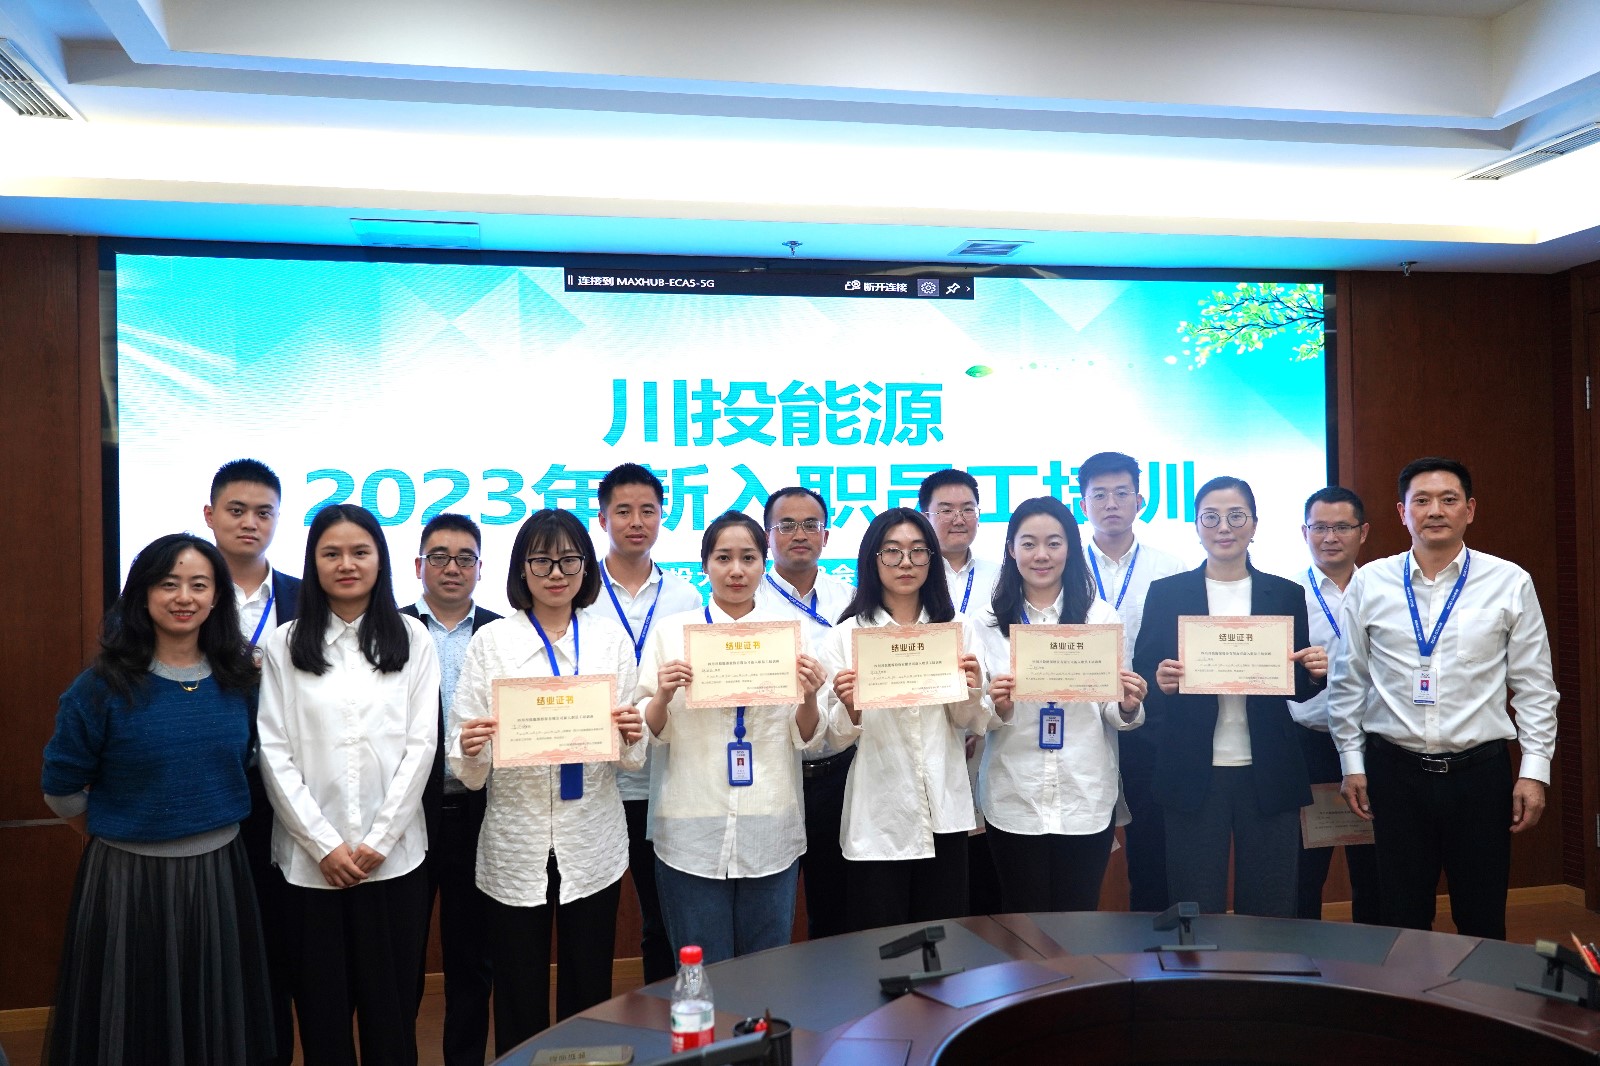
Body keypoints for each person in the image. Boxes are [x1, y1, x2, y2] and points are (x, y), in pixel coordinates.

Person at [41, 533, 274, 1065]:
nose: (184, 597)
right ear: (143, 594)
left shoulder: (240, 680)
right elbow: (60, 787)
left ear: (217, 598)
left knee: (213, 1024)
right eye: (168, 584)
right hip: (127, 882)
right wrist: (124, 827)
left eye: (199, 585)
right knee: (132, 1027)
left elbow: (247, 762)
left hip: (220, 875)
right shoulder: (100, 687)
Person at [1328, 457, 1558, 940]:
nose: (1435, 510)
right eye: (1422, 501)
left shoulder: (1509, 581)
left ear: (1469, 510)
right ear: (1402, 512)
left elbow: (1535, 687)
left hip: (1480, 776)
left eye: (1448, 499)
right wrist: (1352, 762)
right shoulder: (1371, 581)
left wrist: (1534, 771)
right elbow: (1349, 680)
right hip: (1395, 773)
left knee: (1481, 918)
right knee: (1401, 921)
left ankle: (1476, 993)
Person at [450, 509, 646, 1049]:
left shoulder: (609, 641)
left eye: (568, 560)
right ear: (521, 568)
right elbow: (467, 767)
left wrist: (632, 733)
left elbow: (632, 759)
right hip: (516, 840)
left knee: (590, 983)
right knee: (518, 988)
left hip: (592, 839)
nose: (556, 573)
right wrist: (471, 746)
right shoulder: (491, 642)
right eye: (541, 560)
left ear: (585, 567)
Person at [258, 504, 440, 1066]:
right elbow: (274, 752)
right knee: (322, 1020)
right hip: (309, 866)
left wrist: (379, 840)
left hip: (395, 862)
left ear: (380, 560)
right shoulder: (285, 644)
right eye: (331, 553)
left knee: (392, 1018)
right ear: (312, 562)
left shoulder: (413, 638)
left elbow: (422, 747)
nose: (346, 564)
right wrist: (323, 845)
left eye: (360, 552)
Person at [637, 510, 827, 963]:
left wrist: (809, 696)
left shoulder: (791, 635)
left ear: (764, 563)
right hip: (691, 825)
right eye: (723, 558)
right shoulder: (672, 633)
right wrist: (662, 695)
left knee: (766, 968)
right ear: (704, 565)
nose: (736, 570)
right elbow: (649, 733)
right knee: (701, 970)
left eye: (748, 558)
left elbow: (807, 738)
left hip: (771, 822)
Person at [1133, 476, 1327, 917]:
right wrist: (1160, 681)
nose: (1224, 527)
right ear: (1196, 526)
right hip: (1191, 768)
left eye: (1236, 516)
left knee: (1270, 905)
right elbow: (1145, 676)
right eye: (1211, 517)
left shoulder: (1284, 593)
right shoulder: (1167, 593)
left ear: (1254, 524)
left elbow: (1293, 685)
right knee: (1194, 904)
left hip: (1268, 768)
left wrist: (1313, 672)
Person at [820, 507, 990, 931]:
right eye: (892, 551)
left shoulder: (956, 629)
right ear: (872, 559)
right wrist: (851, 707)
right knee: (880, 944)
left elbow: (972, 721)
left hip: (944, 808)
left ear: (932, 559)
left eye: (918, 551)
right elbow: (833, 738)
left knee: (944, 943)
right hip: (879, 813)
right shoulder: (847, 635)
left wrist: (973, 688)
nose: (906, 563)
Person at [978, 497, 1148, 912]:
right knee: (1022, 920)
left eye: (1054, 543)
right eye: (1029, 543)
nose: (1041, 555)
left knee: (1078, 919)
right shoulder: (984, 624)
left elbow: (1112, 710)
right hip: (1014, 792)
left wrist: (1127, 705)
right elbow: (974, 717)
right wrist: (997, 707)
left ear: (1070, 548)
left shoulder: (1099, 618)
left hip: (1083, 792)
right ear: (1011, 549)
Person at [206, 457, 300, 1063]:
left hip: (287, 793)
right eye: (236, 510)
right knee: (212, 944)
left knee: (277, 943)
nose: (249, 523)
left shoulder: (304, 595)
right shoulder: (183, 589)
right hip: (208, 789)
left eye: (263, 513)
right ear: (209, 514)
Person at [594, 462, 704, 983]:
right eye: (623, 511)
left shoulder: (686, 597)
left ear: (662, 516)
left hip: (665, 778)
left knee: (663, 918)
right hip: (598, 779)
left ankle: (668, 1013)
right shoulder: (579, 590)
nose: (636, 521)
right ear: (602, 518)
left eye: (648, 510)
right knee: (596, 912)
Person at [400, 513, 501, 1066]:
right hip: (405, 813)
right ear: (419, 565)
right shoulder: (390, 629)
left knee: (472, 958)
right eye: (439, 556)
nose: (452, 567)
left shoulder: (503, 633)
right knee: (401, 957)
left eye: (465, 558)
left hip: (479, 809)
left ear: (481, 569)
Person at [1076, 450, 1187, 912]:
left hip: (1150, 722)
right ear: (1083, 503)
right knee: (1081, 846)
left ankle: (1152, 939)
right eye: (1099, 494)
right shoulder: (1062, 567)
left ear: (1140, 500)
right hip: (1080, 721)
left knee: (1151, 847)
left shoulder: (1172, 569)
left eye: (1122, 493)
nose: (1111, 503)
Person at [756, 486, 856, 939]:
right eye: (787, 525)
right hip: (773, 770)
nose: (800, 534)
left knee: (836, 906)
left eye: (811, 524)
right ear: (768, 535)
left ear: (826, 535)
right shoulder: (748, 600)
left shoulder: (851, 599)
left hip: (840, 769)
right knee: (769, 907)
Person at [1289, 487, 1380, 923]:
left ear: (1363, 532)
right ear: (1304, 532)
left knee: (1375, 869)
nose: (1330, 537)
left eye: (1342, 527)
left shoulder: (1384, 590)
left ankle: (1373, 955)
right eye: (1319, 527)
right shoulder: (1286, 593)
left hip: (1374, 743)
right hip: (1307, 743)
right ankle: (1303, 955)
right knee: (1305, 873)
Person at [917, 469, 1003, 914]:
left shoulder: (1004, 576)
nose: (958, 518)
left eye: (968, 509)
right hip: (929, 738)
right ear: (924, 515)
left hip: (992, 733)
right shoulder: (907, 575)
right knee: (939, 874)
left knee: (988, 875)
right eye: (946, 509)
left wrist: (978, 715)